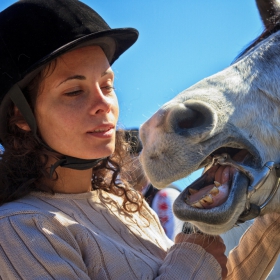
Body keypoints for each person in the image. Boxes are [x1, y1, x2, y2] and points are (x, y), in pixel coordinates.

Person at [0, 1, 279, 280]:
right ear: (20, 117)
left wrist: (274, 221)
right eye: (74, 91)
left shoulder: (125, 204)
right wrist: (193, 258)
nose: (103, 104)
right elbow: (192, 270)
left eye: (107, 85)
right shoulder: (18, 228)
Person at [124, 129, 184, 241]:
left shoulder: (164, 196)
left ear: (141, 157)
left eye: (123, 158)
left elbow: (170, 251)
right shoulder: (129, 198)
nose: (118, 167)